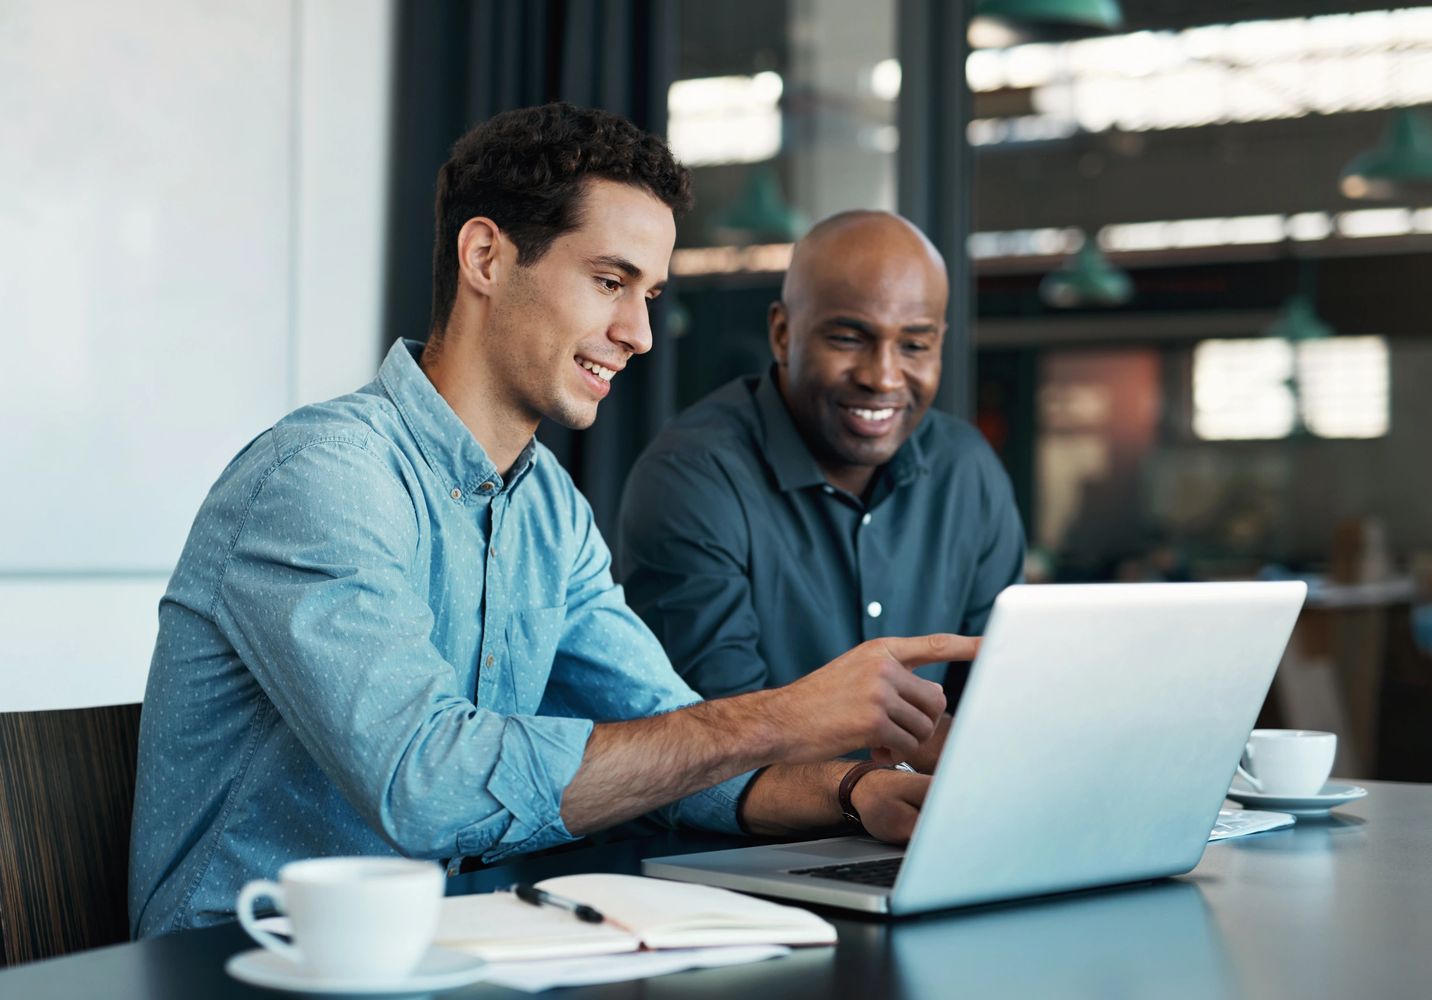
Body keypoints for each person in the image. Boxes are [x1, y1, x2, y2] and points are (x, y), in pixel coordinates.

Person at [128, 105, 971, 937]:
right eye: (610, 282)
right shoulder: (323, 478)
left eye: (649, 294)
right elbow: (428, 788)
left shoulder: (548, 510)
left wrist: (854, 792)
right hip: (249, 962)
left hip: (457, 948)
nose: (638, 333)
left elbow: (675, 749)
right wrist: (783, 714)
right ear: (487, 256)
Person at [616, 211, 1025, 769]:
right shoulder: (693, 474)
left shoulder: (966, 469)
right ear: (783, 334)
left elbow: (1003, 698)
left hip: (923, 829)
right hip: (738, 848)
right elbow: (719, 736)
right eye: (850, 338)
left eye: (914, 346)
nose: (883, 376)